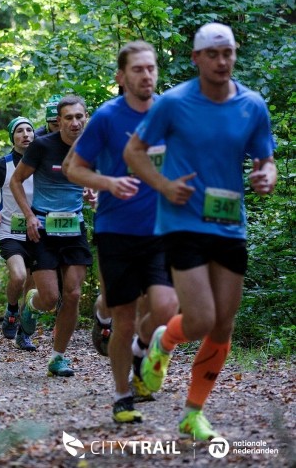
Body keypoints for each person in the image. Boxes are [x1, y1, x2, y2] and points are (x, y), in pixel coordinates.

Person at [124, 23, 276, 440]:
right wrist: (164, 186)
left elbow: (266, 159)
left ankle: (193, 412)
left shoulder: (252, 105)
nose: (222, 61)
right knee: (201, 318)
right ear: (196, 59)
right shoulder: (173, 103)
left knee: (223, 325)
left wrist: (267, 176)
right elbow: (133, 152)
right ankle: (163, 340)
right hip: (182, 221)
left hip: (230, 224)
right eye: (213, 54)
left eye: (228, 53)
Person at [65, 41, 178, 423]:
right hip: (116, 230)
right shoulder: (107, 117)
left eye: (151, 69)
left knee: (165, 307)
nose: (146, 75)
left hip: (162, 227)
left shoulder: (170, 112)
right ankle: (121, 395)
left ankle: (143, 352)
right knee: (124, 314)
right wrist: (108, 183)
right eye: (138, 69)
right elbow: (73, 167)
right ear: (121, 76)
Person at [10, 95, 92, 377]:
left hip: (74, 227)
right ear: (59, 121)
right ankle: (32, 306)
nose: (74, 122)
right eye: (68, 118)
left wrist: (93, 192)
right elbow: (16, 181)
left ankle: (58, 357)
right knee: (49, 297)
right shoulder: (43, 146)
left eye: (79, 117)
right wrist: (30, 216)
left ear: (86, 118)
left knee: (73, 294)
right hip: (43, 228)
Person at [0, 117, 37, 351]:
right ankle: (11, 309)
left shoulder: (42, 162)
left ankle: (24, 333)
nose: (26, 134)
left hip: (36, 231)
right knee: (19, 276)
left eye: (29, 130)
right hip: (9, 230)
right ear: (12, 138)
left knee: (32, 287)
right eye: (20, 131)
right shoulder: (2, 165)